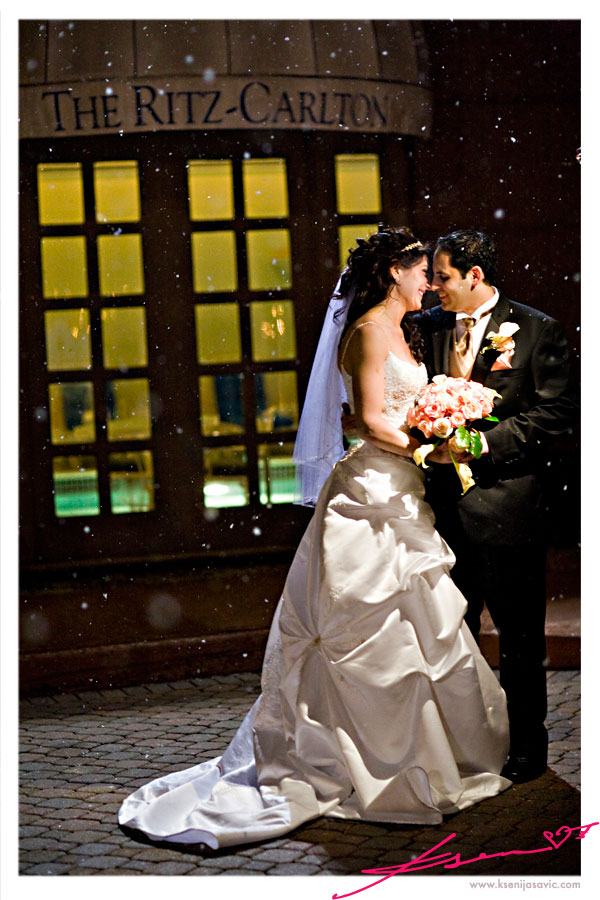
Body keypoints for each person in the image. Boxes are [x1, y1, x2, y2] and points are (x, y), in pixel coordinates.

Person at [118, 227, 510, 851]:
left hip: (402, 492)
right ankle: (358, 758)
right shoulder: (367, 333)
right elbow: (371, 419)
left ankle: (426, 753)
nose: (428, 283)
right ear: (394, 273)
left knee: (418, 623)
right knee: (364, 624)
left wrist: (446, 416)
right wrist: (435, 445)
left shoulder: (405, 331)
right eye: (421, 273)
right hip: (370, 495)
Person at [418, 229, 577, 784]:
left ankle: (527, 747)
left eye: (442, 277)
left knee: (520, 638)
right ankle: (461, 745)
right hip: (437, 513)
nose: (433, 287)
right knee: (446, 633)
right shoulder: (426, 327)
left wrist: (482, 444)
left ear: (474, 275)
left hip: (509, 509)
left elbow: (558, 412)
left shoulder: (536, 330)